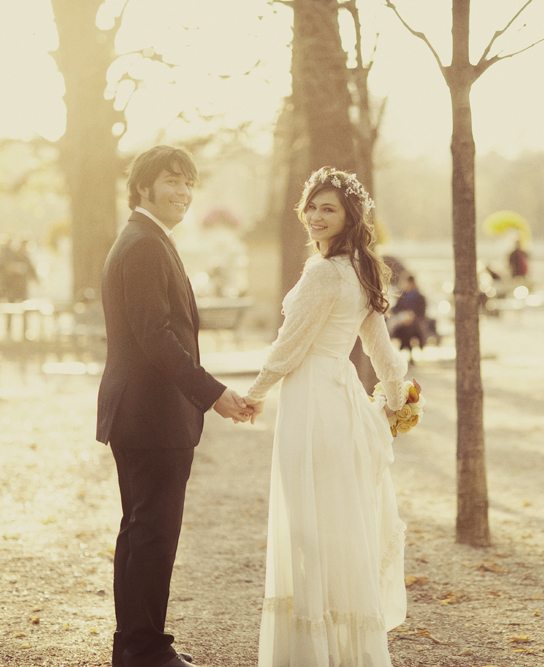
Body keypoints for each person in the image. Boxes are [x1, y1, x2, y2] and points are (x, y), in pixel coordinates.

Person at [95, 145, 256, 667]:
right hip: (150, 415)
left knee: (141, 530)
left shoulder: (147, 238)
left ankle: (134, 644)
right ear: (142, 186)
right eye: (172, 181)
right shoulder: (143, 244)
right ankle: (143, 649)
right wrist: (213, 394)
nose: (183, 193)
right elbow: (155, 336)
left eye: (189, 183)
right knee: (153, 533)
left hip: (146, 413)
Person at [243, 166, 410, 666]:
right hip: (340, 400)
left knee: (310, 521)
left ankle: (314, 651)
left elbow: (289, 347)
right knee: (337, 520)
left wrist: (253, 394)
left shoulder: (325, 272)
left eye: (328, 208)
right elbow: (381, 349)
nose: (315, 216)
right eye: (312, 206)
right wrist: (397, 396)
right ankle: (343, 646)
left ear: (349, 215)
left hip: (313, 400)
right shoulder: (361, 267)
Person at [389, 274, 429, 361]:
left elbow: (422, 312)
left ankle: (404, 348)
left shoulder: (420, 297)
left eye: (405, 282)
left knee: (409, 329)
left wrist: (412, 316)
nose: (403, 284)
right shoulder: (402, 296)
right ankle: (406, 350)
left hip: (415, 323)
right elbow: (396, 309)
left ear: (411, 283)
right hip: (402, 321)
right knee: (403, 328)